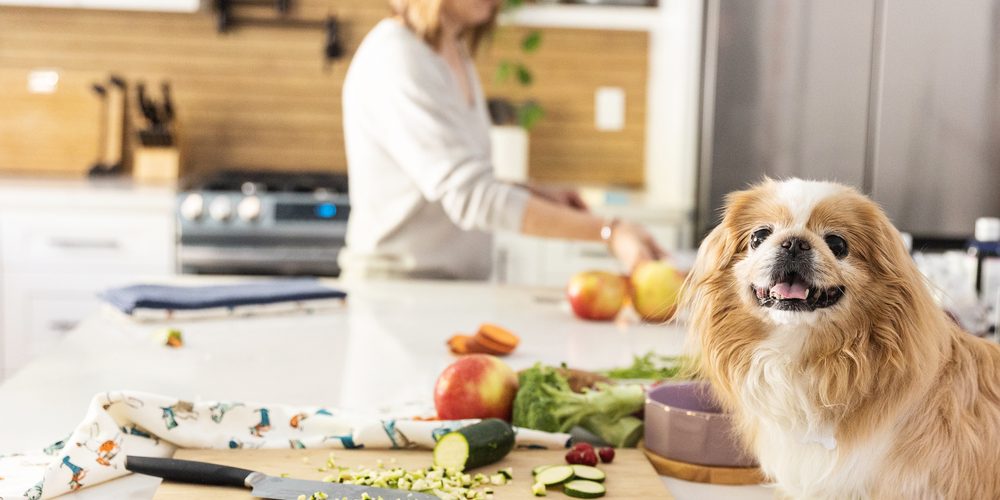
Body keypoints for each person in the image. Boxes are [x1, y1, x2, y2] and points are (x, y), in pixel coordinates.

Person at [339, 0, 665, 280]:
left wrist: (532, 192)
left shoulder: (451, 52)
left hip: (441, 288)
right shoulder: (398, 57)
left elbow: (463, 177)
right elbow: (470, 196)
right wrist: (609, 231)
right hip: (397, 292)